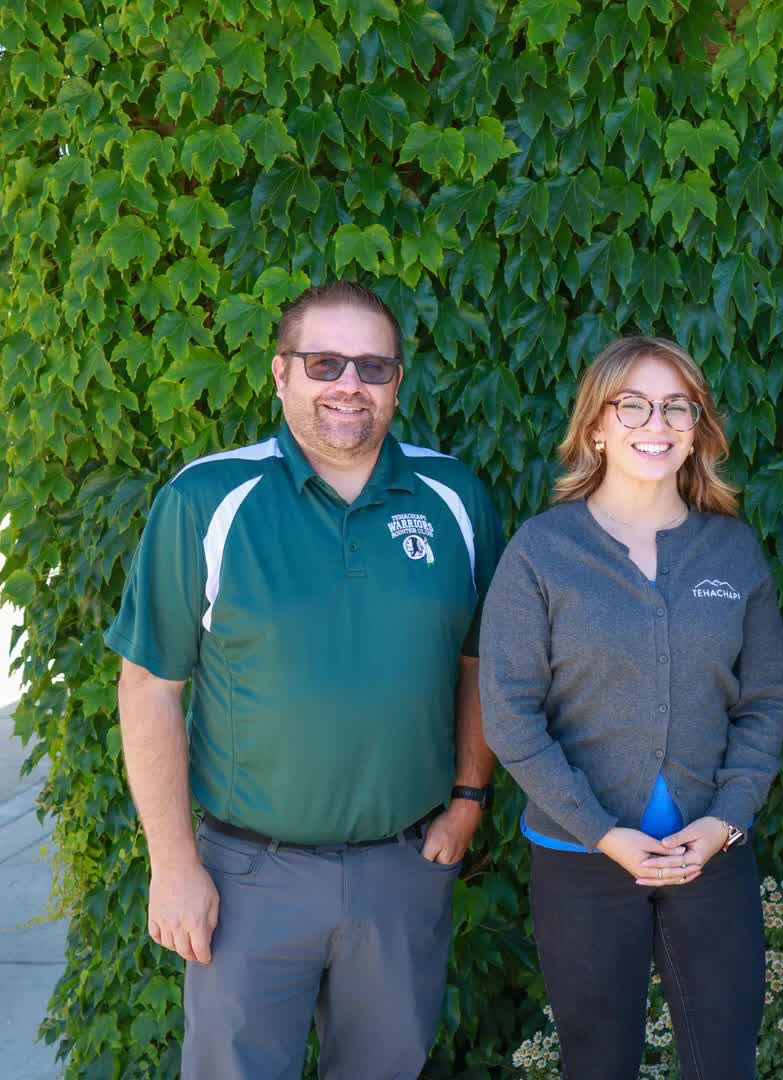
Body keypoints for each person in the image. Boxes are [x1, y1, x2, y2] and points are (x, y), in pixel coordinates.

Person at [105, 281, 504, 1079]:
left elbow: (481, 663)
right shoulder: (207, 499)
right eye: (324, 363)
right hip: (249, 876)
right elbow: (150, 687)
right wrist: (174, 864)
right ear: (281, 373)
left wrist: (468, 800)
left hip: (402, 871)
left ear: (398, 381)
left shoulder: (455, 496)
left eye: (372, 366)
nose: (349, 385)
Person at [480, 335, 783, 1079]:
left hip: (711, 858)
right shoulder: (541, 551)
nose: (657, 423)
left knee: (725, 1064)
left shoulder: (732, 550)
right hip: (580, 859)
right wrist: (601, 833)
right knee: (597, 1065)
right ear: (595, 426)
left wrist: (725, 820)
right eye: (634, 405)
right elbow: (509, 713)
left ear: (697, 428)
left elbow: (766, 700)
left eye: (677, 406)